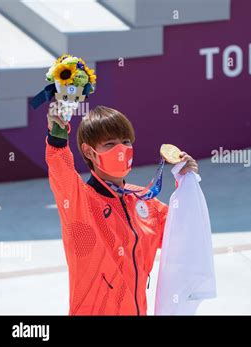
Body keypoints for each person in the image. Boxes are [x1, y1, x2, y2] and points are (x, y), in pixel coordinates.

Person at [45, 105, 198, 315]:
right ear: (90, 152)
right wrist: (57, 138)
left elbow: (183, 231)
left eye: (125, 142)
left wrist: (186, 182)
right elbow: (60, 172)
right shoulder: (80, 202)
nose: (121, 149)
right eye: (110, 144)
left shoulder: (143, 200)